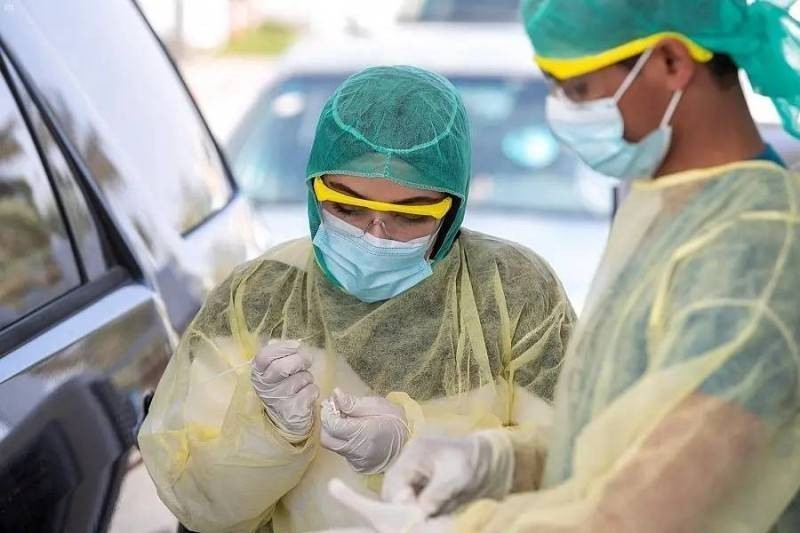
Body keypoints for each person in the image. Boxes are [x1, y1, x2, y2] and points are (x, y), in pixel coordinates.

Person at [328, 2, 800, 532]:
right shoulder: (669, 206)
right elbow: (616, 435)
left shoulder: (760, 250)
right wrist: (499, 463)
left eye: (577, 89)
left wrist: (467, 528)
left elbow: (660, 502)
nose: (562, 111)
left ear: (671, 61)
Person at [138, 65, 575, 532]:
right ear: (314, 190)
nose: (375, 235)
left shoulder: (514, 292)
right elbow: (198, 505)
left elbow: (574, 470)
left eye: (410, 216)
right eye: (347, 207)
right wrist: (267, 435)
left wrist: (414, 446)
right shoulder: (259, 295)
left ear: (453, 210)